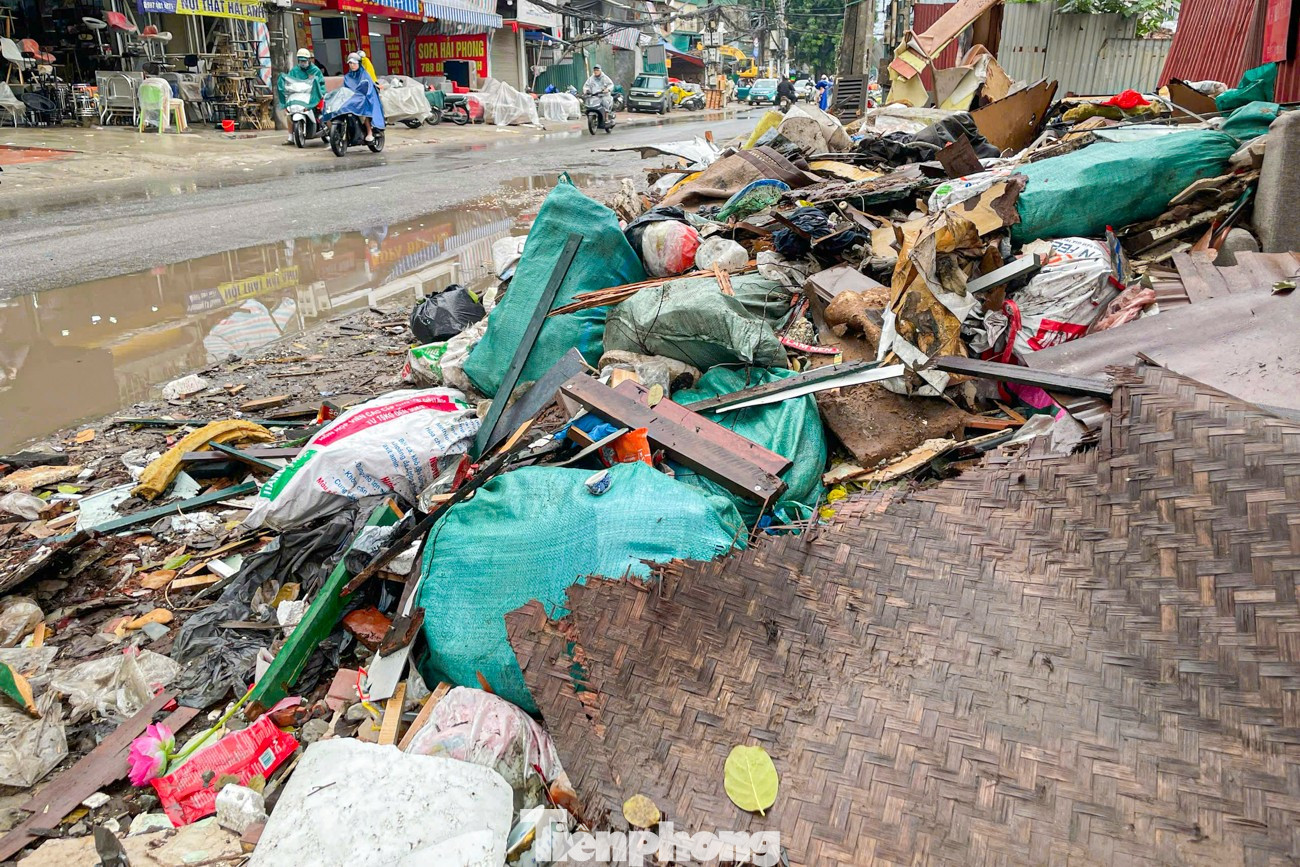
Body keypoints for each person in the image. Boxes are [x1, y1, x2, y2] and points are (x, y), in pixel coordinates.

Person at [276, 48, 325, 143]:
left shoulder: (315, 70)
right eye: (300, 61)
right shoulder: (294, 70)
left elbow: (320, 83)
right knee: (289, 112)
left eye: (304, 61)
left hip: (313, 93)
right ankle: (290, 136)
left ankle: (322, 123)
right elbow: (289, 81)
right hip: (298, 94)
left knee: (320, 108)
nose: (302, 63)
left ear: (309, 60)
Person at [342, 52, 385, 142]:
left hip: (365, 97)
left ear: (359, 63)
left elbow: (368, 88)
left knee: (364, 112)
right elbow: (345, 89)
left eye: (354, 63)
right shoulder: (347, 77)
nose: (352, 65)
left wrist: (361, 96)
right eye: (350, 63)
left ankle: (369, 132)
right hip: (352, 99)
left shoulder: (364, 74)